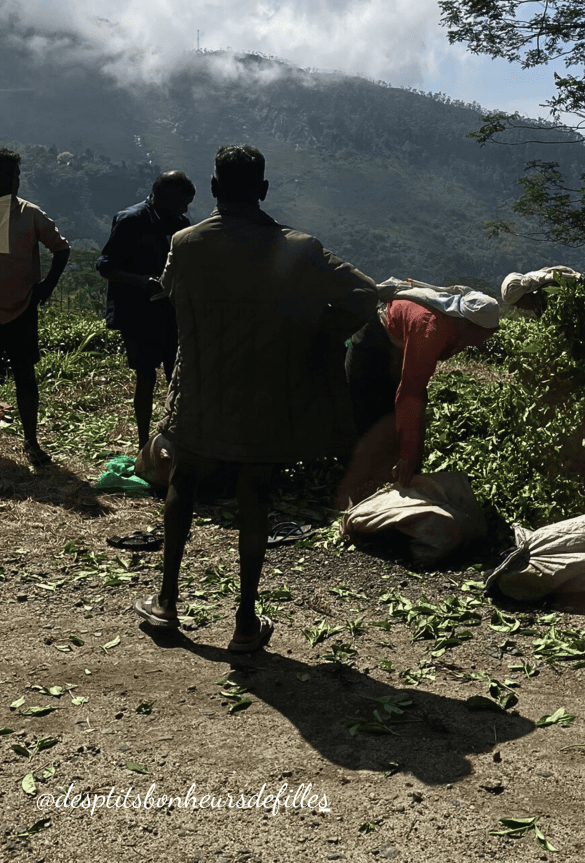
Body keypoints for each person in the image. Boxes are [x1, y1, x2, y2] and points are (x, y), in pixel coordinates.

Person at [133, 144, 377, 652]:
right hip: (266, 396)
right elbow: (363, 294)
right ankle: (245, 620)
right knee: (256, 496)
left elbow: (173, 292)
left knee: (184, 482)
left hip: (199, 389)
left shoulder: (186, 241)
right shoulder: (300, 248)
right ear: (263, 189)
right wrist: (313, 333)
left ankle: (167, 603)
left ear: (216, 188)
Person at [343, 282, 498, 499]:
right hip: (373, 345)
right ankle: (367, 490)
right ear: (467, 325)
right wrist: (408, 454)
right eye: (483, 336)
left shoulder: (458, 326)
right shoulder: (429, 330)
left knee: (411, 420)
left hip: (400, 345)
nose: (483, 343)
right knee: (372, 416)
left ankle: (404, 479)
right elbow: (409, 393)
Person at [97, 172, 196, 450]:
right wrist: (141, 281)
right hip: (138, 314)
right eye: (182, 203)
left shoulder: (180, 223)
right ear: (163, 197)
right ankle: (143, 443)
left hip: (169, 312)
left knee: (174, 377)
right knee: (145, 376)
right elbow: (105, 266)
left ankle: (174, 439)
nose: (185, 210)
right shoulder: (131, 220)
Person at [0, 148, 70, 466]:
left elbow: (61, 248)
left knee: (26, 376)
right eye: (9, 175)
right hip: (20, 308)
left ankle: (31, 441)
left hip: (22, 308)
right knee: (24, 375)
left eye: (15, 176)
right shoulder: (23, 213)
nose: (14, 181)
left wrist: (47, 286)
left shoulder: (29, 213)